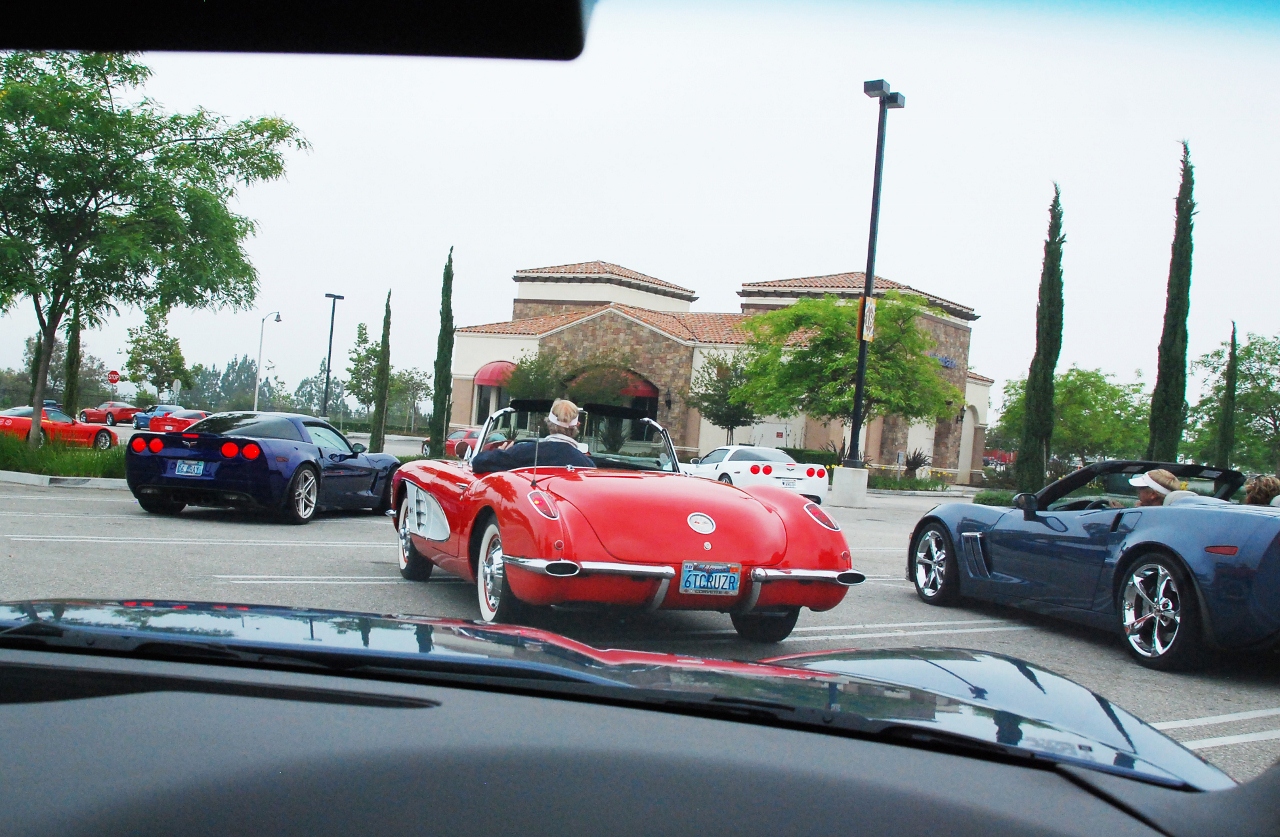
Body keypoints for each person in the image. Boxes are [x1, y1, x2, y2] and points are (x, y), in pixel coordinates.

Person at [470, 398, 595, 475]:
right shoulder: (587, 465)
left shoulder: (524, 452)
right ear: (577, 425)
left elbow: (478, 463)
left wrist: (500, 452)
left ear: (548, 423)